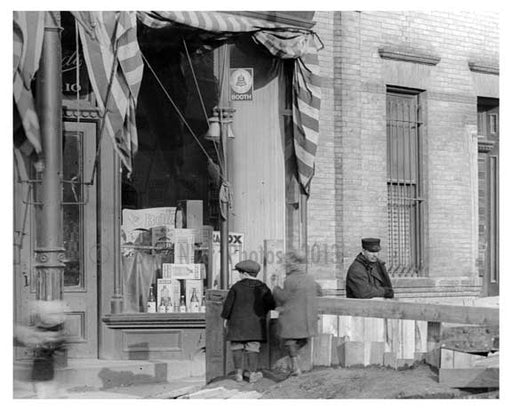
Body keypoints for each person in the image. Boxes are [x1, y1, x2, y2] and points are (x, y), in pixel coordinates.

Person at [221, 259, 276, 383]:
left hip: (237, 324)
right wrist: (263, 311)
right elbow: (271, 304)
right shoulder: (263, 287)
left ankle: (238, 374)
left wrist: (226, 318)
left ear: (244, 273)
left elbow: (228, 305)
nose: (239, 275)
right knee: (253, 347)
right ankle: (252, 374)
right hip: (255, 325)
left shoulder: (236, 287)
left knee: (236, 347)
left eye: (240, 272)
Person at [272, 250, 322, 376]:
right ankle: (295, 363)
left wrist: (275, 288)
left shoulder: (290, 280)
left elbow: (283, 297)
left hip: (292, 317)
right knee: (302, 340)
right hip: (307, 317)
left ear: (290, 264)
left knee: (290, 341)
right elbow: (319, 293)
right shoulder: (310, 279)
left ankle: (295, 367)